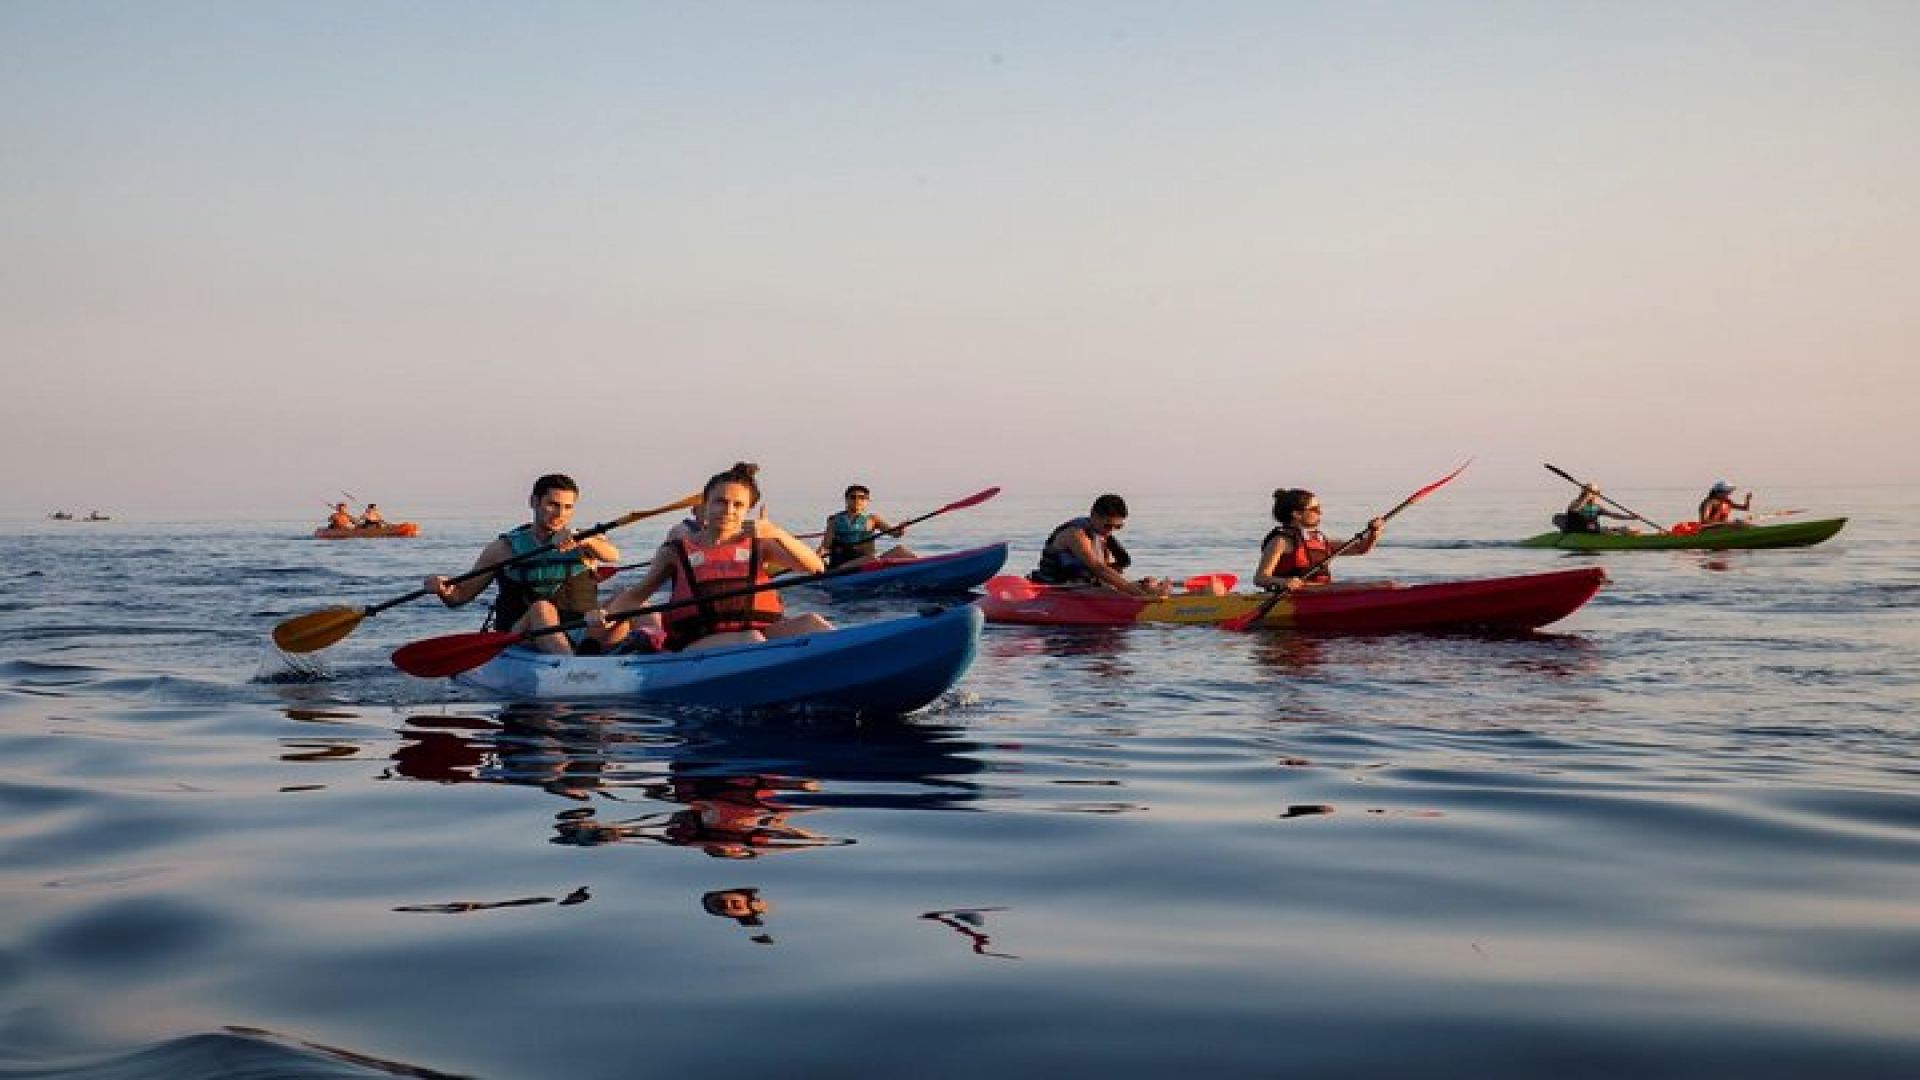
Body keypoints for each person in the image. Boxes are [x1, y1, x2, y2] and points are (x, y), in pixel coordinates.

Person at [589, 462, 832, 653]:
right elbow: (637, 595)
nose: (728, 511)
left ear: (747, 510)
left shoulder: (762, 544)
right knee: (751, 640)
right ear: (704, 506)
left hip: (760, 634)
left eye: (738, 505)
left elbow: (816, 567)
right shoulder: (675, 550)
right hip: (699, 642)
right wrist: (605, 618)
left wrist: (778, 533)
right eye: (720, 502)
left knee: (813, 622)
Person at [424, 474, 620, 654]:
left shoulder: (586, 541)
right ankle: (570, 666)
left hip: (579, 629)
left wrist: (584, 540)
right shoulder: (502, 549)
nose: (560, 513)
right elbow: (459, 596)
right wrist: (442, 588)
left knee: (628, 599)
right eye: (553, 504)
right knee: (542, 609)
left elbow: (612, 556)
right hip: (523, 635)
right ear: (534, 502)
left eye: (568, 507)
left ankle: (647, 651)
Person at [1029, 494, 1168, 597]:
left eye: (1118, 527)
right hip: (1057, 586)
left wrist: (1141, 585)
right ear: (1093, 515)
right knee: (1116, 593)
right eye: (1108, 525)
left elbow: (1106, 571)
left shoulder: (1100, 534)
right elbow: (1098, 568)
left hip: (1083, 584)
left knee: (1150, 583)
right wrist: (1138, 593)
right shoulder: (1075, 534)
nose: (1111, 531)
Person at [1252, 488, 1384, 592]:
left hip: (1320, 591)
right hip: (1295, 595)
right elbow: (1260, 578)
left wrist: (1374, 532)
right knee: (1380, 587)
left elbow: (1361, 548)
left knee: (1385, 585)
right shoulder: (1280, 541)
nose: (1320, 513)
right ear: (1297, 514)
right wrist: (1283, 582)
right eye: (1315, 509)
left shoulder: (1319, 539)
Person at [817, 484, 916, 569]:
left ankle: (923, 568)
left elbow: (896, 534)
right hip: (843, 566)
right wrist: (817, 558)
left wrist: (901, 528)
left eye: (862, 497)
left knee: (900, 550)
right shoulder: (834, 520)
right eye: (853, 497)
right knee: (871, 559)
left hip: (867, 562)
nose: (857, 500)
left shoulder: (873, 519)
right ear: (846, 499)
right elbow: (825, 547)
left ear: (867, 500)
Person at [1558, 485, 1637, 535]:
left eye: (1594, 493)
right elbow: (1574, 510)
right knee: (1610, 532)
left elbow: (1613, 515)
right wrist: (1586, 497)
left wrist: (1630, 517)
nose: (1594, 495)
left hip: (1594, 530)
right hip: (1580, 531)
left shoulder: (1597, 507)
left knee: (1629, 529)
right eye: (1589, 493)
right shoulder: (1576, 503)